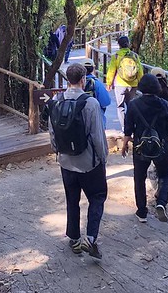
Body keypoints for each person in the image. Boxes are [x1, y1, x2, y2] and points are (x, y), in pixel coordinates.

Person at [48, 62, 108, 259]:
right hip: (88, 162)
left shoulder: (56, 100)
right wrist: (102, 158)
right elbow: (98, 136)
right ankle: (90, 238)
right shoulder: (90, 103)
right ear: (83, 80)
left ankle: (73, 238)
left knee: (72, 200)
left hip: (66, 162)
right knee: (97, 197)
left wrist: (58, 151)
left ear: (68, 80)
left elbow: (52, 132)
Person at [122, 73, 168, 223]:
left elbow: (128, 128)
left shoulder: (134, 104)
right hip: (161, 146)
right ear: (157, 87)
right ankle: (161, 203)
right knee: (164, 175)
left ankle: (142, 212)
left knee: (139, 178)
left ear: (141, 87)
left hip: (141, 147)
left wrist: (124, 145)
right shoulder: (164, 104)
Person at [105, 35, 143, 128]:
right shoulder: (134, 55)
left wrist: (109, 83)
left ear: (119, 45)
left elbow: (111, 70)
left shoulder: (116, 56)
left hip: (120, 84)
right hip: (133, 84)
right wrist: (140, 82)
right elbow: (140, 71)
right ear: (128, 44)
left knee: (120, 106)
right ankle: (132, 126)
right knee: (132, 106)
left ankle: (124, 127)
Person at [83, 59, 112, 128]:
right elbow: (106, 102)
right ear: (93, 68)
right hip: (96, 117)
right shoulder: (97, 83)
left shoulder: (77, 83)